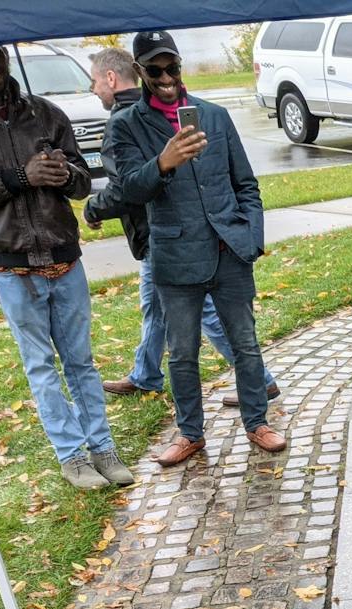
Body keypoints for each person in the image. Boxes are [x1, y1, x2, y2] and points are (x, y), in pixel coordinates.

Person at [0, 45, 134, 490]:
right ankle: (72, 456)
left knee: (81, 361)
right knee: (40, 364)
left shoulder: (45, 112)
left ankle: (102, 447)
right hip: (9, 259)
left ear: (5, 54)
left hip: (62, 252)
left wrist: (66, 175)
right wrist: (19, 177)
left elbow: (82, 179)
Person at [105, 30, 285, 467]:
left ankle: (256, 421)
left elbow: (246, 183)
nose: (166, 77)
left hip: (228, 251)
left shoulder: (215, 116)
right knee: (183, 354)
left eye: (172, 67)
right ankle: (190, 434)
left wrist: (251, 236)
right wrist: (163, 162)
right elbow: (128, 189)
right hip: (175, 257)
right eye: (155, 70)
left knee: (246, 345)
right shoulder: (125, 124)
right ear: (139, 72)